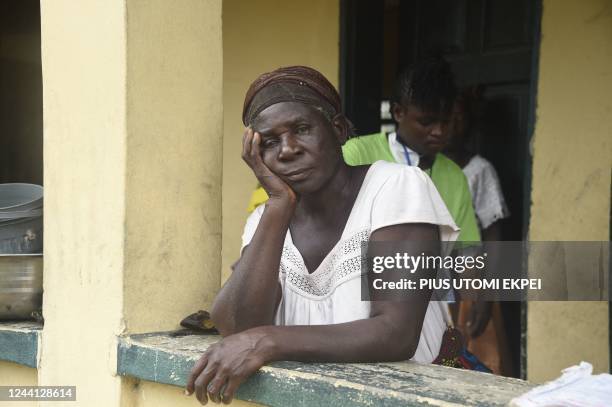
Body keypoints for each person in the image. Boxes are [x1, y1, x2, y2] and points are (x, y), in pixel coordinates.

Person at [185, 66, 459, 404]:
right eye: (270, 142)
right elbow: (238, 327)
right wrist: (278, 206)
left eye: (301, 129)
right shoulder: (265, 220)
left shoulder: (395, 188)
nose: (287, 150)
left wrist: (270, 341)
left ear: (338, 130)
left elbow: (396, 333)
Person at [444, 89, 513, 376]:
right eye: (446, 118)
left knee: (479, 364)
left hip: (470, 285)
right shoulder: (418, 170)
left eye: (459, 119)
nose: (451, 125)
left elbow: (494, 236)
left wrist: (487, 293)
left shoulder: (479, 170)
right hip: (429, 284)